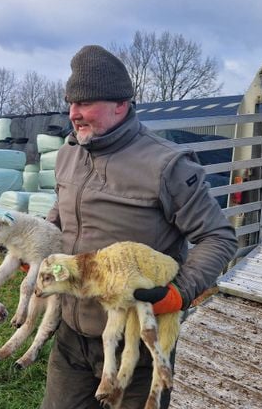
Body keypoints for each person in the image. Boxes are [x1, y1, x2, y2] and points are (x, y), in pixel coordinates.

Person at [42, 45, 238, 409]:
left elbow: (218, 237)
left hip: (138, 339)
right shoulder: (69, 152)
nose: (74, 113)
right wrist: (43, 243)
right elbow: (63, 211)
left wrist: (180, 292)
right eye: (70, 102)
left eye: (85, 103)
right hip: (71, 336)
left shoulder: (166, 165)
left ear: (121, 104)